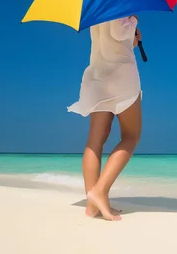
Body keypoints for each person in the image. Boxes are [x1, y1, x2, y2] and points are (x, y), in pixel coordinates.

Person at [67, 15, 142, 221]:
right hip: (121, 78)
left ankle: (92, 206)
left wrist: (132, 42)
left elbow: (113, 41)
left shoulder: (98, 7)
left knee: (95, 139)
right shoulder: (121, 4)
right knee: (131, 136)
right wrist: (133, 21)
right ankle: (99, 191)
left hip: (98, 76)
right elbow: (118, 32)